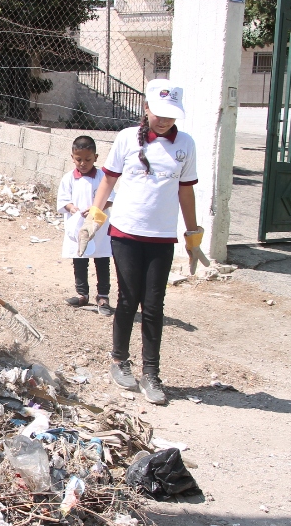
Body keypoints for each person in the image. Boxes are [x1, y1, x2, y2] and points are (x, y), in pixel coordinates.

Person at [80, 79, 201, 405]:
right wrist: (93, 220)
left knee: (154, 304)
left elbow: (186, 192)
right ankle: (119, 360)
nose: (164, 120)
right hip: (126, 233)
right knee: (128, 298)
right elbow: (108, 181)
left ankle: (151, 373)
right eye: (159, 113)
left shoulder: (185, 144)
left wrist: (193, 236)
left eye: (171, 115)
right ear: (146, 108)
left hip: (162, 237)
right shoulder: (126, 138)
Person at [57, 135, 113, 316]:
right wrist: (71, 208)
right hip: (77, 227)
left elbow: (110, 198)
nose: (83, 163)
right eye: (78, 159)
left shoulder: (103, 177)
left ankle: (103, 296)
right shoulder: (68, 178)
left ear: (95, 157)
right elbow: (63, 200)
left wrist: (97, 208)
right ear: (72, 158)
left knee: (102, 259)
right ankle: (82, 294)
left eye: (88, 159)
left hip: (99, 227)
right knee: (79, 259)